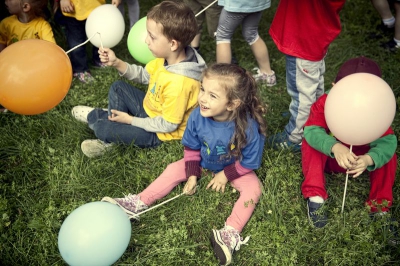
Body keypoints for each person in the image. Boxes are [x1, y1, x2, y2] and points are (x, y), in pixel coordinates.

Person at [102, 63, 267, 266]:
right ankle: (138, 203)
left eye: (213, 96)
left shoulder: (248, 126)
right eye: (203, 89)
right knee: (173, 169)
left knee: (254, 188)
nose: (203, 98)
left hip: (235, 168)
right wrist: (192, 174)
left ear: (232, 104)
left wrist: (225, 175)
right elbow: (191, 147)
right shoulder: (198, 116)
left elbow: (249, 162)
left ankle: (229, 233)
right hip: (204, 162)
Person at [71, 0, 206, 158]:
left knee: (103, 129)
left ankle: (98, 120)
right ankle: (111, 127)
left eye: (152, 37)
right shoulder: (167, 58)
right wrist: (117, 63)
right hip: (149, 110)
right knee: (118, 87)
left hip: (158, 133)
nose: (146, 40)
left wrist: (130, 120)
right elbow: (144, 75)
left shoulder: (180, 83)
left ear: (173, 44)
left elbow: (168, 125)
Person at [301, 56, 397, 229]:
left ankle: (380, 206)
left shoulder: (378, 107)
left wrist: (369, 159)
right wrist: (335, 147)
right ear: (335, 87)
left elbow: (388, 142)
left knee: (388, 156)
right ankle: (315, 195)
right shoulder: (325, 102)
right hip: (333, 159)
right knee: (310, 142)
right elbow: (312, 130)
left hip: (361, 162)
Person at [268, 0, 346, 152]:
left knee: (302, 95)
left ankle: (296, 137)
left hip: (303, 40)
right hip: (313, 36)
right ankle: (316, 118)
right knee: (314, 84)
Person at [54, 0, 121, 83]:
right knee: (76, 41)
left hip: (96, 6)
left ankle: (99, 58)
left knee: (99, 33)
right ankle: (80, 69)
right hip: (74, 8)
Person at [215, 0, 276, 86]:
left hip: (238, 3)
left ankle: (222, 81)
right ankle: (268, 75)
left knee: (223, 36)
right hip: (257, 3)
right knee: (251, 34)